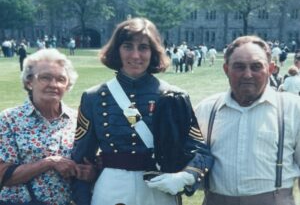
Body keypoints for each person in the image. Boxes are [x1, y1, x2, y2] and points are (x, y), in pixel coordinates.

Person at [71, 17, 213, 205]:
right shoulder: (94, 97)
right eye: (128, 46)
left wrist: (184, 177)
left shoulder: (175, 97)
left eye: (143, 48)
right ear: (117, 50)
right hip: (111, 190)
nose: (136, 55)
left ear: (153, 52)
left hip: (159, 190)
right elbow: (81, 158)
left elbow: (201, 151)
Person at [195, 35, 300, 205]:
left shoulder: (293, 109)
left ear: (271, 69)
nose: (248, 74)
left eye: (256, 66)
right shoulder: (206, 110)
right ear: (226, 69)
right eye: (239, 67)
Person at [0, 49, 96, 204]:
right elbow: (3, 175)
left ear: (67, 85)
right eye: (45, 78)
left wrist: (90, 173)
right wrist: (49, 162)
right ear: (29, 82)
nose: (53, 84)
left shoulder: (78, 120)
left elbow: (88, 164)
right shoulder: (9, 120)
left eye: (61, 79)